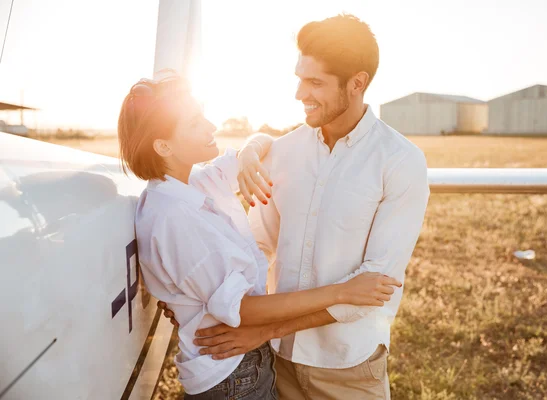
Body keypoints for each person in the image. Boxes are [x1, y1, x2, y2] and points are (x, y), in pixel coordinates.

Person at [117, 71, 403, 399]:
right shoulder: (174, 217)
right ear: (163, 145)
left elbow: (261, 142)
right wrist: (343, 292)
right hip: (231, 373)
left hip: (236, 365)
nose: (211, 126)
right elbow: (242, 310)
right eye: (195, 122)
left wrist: (250, 152)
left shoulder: (190, 183)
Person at [188, 14, 430, 400]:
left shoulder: (400, 161)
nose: (300, 94)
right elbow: (255, 246)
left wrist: (263, 331)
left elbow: (371, 288)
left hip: (348, 366)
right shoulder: (283, 152)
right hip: (275, 363)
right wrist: (191, 300)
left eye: (315, 82)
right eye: (300, 78)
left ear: (357, 83)